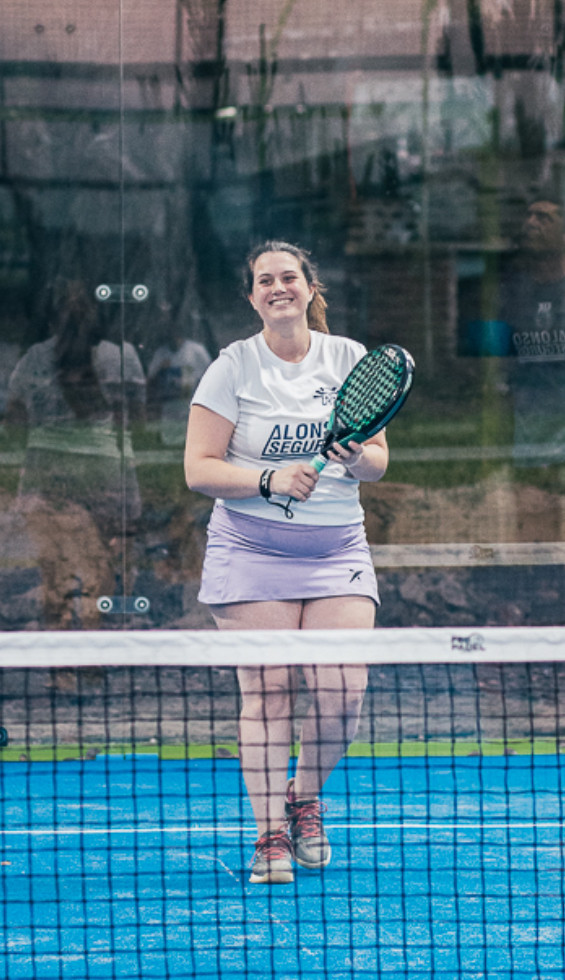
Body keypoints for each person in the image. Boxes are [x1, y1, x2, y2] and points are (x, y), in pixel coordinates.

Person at [184, 241, 389, 884]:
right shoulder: (232, 367)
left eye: (289, 277)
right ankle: (269, 832)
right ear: (253, 297)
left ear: (309, 287)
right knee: (269, 691)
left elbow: (378, 463)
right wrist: (268, 479)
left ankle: (304, 798)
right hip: (250, 551)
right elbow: (198, 470)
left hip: (336, 552)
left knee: (343, 692)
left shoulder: (348, 358)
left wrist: (356, 456)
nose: (278, 287)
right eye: (265, 280)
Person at [5, 278, 146, 628]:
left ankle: (61, 649)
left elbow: (14, 424)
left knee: (54, 566)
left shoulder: (33, 358)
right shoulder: (122, 356)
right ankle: (94, 642)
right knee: (103, 560)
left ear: (52, 318)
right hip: (105, 470)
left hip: (46, 470)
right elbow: (140, 422)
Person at [499, 194, 565, 537]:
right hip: (528, 414)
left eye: (544, 218)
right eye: (529, 216)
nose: (531, 224)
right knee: (531, 504)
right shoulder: (516, 288)